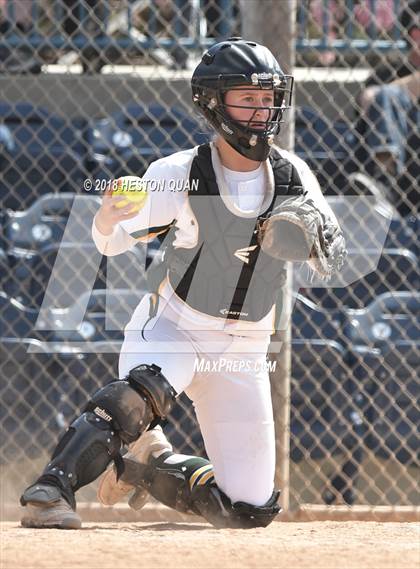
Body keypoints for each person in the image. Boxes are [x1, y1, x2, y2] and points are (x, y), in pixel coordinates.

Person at [19, 37, 344, 530]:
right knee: (140, 394)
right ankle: (51, 489)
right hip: (174, 330)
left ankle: (147, 464)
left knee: (248, 511)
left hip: (243, 353)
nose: (262, 110)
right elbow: (109, 243)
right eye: (247, 98)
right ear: (213, 103)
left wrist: (315, 236)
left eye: (268, 98)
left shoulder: (293, 174)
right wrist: (107, 215)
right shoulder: (180, 172)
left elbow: (334, 250)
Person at [355, 0, 419, 216]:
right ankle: (383, 181)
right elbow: (366, 99)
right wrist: (410, 85)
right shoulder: (389, 71)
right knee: (386, 95)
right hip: (402, 155)